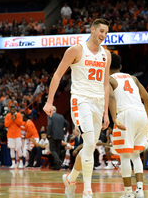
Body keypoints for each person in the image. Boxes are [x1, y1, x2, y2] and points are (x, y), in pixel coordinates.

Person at [43, 18, 112, 198]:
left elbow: (106, 85)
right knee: (89, 143)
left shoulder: (107, 55)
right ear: (93, 30)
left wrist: (106, 112)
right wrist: (49, 101)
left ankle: (71, 177)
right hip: (81, 101)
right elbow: (58, 75)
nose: (103, 35)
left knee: (90, 147)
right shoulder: (76, 49)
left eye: (106, 32)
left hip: (98, 103)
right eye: (101, 31)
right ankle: (87, 191)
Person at [109, 53, 148, 198]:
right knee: (136, 155)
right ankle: (140, 190)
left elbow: (110, 97)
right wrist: (145, 117)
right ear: (120, 67)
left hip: (126, 114)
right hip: (141, 114)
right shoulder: (133, 78)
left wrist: (114, 118)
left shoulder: (109, 79)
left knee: (125, 156)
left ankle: (128, 193)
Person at [47, 106, 69, 170]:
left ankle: (58, 161)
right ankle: (57, 166)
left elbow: (49, 125)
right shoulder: (61, 116)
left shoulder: (50, 116)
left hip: (52, 135)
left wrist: (48, 134)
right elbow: (67, 124)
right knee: (57, 151)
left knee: (52, 149)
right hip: (60, 136)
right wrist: (64, 132)